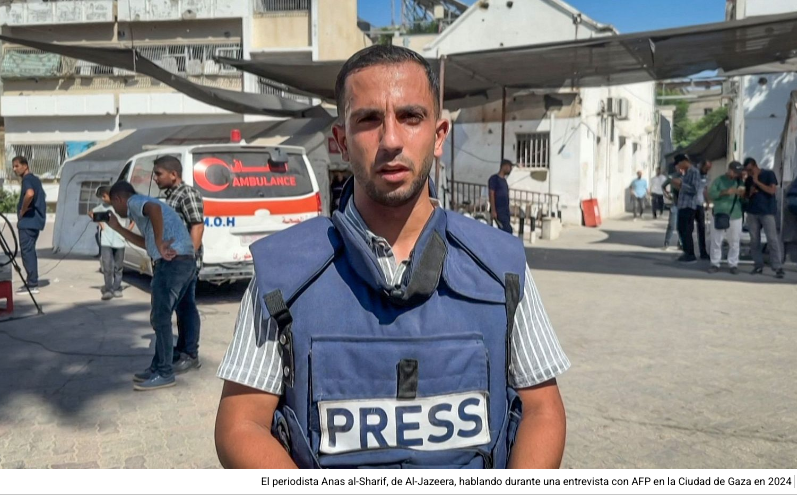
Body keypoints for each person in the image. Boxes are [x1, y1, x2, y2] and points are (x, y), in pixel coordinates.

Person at [214, 45, 569, 469]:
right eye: (368, 120)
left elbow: (542, 409)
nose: (391, 141)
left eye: (410, 117)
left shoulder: (501, 265)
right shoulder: (283, 274)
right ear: (341, 141)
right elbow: (241, 425)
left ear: (439, 135)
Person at [106, 181, 197, 391]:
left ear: (119, 199)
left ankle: (165, 373)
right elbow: (146, 244)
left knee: (160, 317)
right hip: (184, 261)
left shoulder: (135, 201)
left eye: (113, 205)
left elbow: (153, 209)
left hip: (171, 263)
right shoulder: (143, 209)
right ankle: (158, 367)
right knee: (166, 315)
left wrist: (159, 242)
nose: (115, 210)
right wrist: (118, 228)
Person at [152, 155, 204, 373]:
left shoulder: (187, 193)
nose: (155, 178)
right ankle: (181, 349)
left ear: (173, 174)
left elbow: (197, 226)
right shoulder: (172, 195)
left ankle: (190, 354)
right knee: (182, 307)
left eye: (158, 174)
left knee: (186, 307)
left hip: (184, 263)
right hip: (174, 262)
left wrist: (187, 258)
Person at [743, 157, 784, 278]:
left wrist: (757, 182)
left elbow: (772, 191)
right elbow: (746, 196)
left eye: (750, 170)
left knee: (772, 239)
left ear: (755, 166)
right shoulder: (749, 179)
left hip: (767, 211)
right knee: (754, 240)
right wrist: (750, 192)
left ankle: (777, 266)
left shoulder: (768, 174)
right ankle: (758, 265)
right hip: (752, 211)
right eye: (747, 171)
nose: (749, 173)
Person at [12, 156, 46, 295]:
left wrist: (23, 210)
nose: (14, 169)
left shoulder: (27, 180)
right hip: (35, 222)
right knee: (30, 251)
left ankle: (32, 284)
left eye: (17, 166)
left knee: (27, 252)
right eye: (13, 166)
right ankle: (32, 281)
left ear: (25, 166)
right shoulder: (35, 179)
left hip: (28, 222)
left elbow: (30, 194)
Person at [89, 186, 126, 300]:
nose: (103, 199)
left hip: (120, 241)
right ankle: (108, 290)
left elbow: (133, 217)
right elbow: (91, 213)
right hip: (106, 241)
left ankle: (117, 288)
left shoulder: (121, 206)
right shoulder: (103, 207)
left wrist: (128, 230)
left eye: (104, 196)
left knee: (118, 267)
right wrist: (101, 224)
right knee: (107, 266)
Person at [708, 162, 745, 274]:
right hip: (719, 214)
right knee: (716, 240)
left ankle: (733, 264)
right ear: (729, 170)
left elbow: (744, 198)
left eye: (738, 173)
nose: (736, 174)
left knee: (734, 241)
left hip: (735, 214)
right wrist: (725, 192)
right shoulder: (719, 180)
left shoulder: (740, 181)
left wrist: (742, 193)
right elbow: (711, 194)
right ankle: (715, 263)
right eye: (735, 172)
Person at [674, 155, 701, 263]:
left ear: (684, 161)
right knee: (681, 229)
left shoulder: (694, 172)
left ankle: (690, 254)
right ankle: (686, 252)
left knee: (687, 230)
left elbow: (694, 189)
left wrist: (681, 184)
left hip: (689, 205)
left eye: (679, 164)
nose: (678, 166)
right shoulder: (685, 173)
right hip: (682, 205)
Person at [488, 159, 513, 234]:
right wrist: (493, 210)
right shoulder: (494, 179)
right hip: (498, 210)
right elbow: (491, 194)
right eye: (509, 167)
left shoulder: (504, 181)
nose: (510, 170)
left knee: (505, 230)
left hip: (505, 210)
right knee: (507, 230)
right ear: (504, 166)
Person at [694, 160, 712, 260]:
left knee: (701, 228)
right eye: (706, 168)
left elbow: (705, 190)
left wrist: (708, 202)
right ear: (701, 165)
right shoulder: (693, 174)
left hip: (700, 205)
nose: (707, 170)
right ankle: (688, 251)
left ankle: (703, 252)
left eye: (709, 169)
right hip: (690, 204)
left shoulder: (706, 177)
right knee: (688, 228)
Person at [662, 163, 683, 250]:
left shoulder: (687, 177)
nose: (680, 169)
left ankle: (681, 243)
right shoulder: (672, 177)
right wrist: (667, 195)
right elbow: (663, 186)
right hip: (675, 204)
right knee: (671, 224)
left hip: (684, 205)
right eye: (679, 167)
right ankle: (666, 243)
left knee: (682, 226)